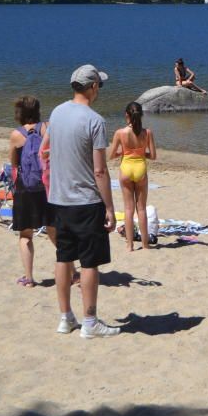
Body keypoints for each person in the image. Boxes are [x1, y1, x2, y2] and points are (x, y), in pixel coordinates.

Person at [43, 64, 121, 339]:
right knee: (89, 263)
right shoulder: (94, 120)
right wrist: (110, 206)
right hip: (86, 200)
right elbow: (100, 169)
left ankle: (65, 318)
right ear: (94, 87)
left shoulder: (56, 112)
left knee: (63, 257)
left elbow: (49, 149)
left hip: (58, 198)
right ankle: (90, 322)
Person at [9, 96, 56, 287]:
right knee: (54, 231)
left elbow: (14, 165)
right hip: (47, 186)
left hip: (25, 188)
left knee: (25, 235)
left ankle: (28, 278)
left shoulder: (16, 135)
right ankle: (72, 273)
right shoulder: (48, 127)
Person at [108, 102, 157, 252]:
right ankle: (145, 244)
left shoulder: (120, 133)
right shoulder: (147, 132)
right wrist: (141, 153)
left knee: (128, 209)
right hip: (140, 168)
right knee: (141, 209)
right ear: (141, 115)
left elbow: (110, 155)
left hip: (126, 169)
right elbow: (153, 156)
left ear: (126, 115)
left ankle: (129, 245)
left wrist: (124, 153)